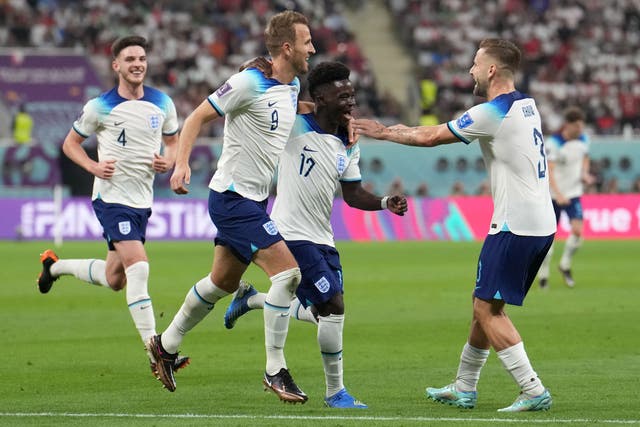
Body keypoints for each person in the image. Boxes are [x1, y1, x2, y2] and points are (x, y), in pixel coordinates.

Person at [353, 38, 556, 412]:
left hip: (515, 225)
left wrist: (380, 131)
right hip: (541, 222)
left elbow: (429, 136)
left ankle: (532, 389)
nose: (471, 70)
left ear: (492, 70)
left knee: (487, 310)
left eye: (476, 63)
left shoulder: (491, 112)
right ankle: (464, 386)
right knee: (485, 303)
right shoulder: (527, 105)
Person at [146, 11, 316, 403]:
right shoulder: (247, 82)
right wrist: (182, 163)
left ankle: (165, 345)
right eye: (307, 42)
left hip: (254, 199)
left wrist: (333, 116)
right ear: (287, 47)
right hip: (233, 199)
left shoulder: (289, 86)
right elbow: (196, 117)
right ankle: (276, 370)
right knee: (288, 274)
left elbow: (289, 107)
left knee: (220, 282)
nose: (313, 48)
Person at [222, 61, 408, 408]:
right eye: (342, 96)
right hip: (291, 234)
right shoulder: (293, 126)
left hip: (323, 237)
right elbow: (264, 100)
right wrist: (251, 68)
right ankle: (335, 392)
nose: (351, 102)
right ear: (320, 98)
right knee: (334, 306)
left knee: (325, 313)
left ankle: (251, 300)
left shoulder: (348, 142)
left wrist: (384, 201)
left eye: (352, 95)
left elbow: (352, 194)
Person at [36, 35, 188, 375]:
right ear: (116, 65)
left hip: (141, 201)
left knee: (115, 277)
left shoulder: (162, 102)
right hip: (110, 198)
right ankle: (156, 352)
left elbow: (174, 140)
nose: (137, 64)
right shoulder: (99, 106)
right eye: (130, 59)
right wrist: (92, 166)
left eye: (142, 59)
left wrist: (170, 159)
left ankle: (54, 267)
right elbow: (70, 143)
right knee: (140, 267)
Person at [537, 107, 592, 289]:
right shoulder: (554, 143)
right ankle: (543, 275)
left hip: (574, 193)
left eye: (581, 125)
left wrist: (584, 173)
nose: (580, 129)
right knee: (549, 238)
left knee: (577, 230)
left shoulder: (583, 139)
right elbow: (549, 170)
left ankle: (565, 264)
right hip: (554, 196)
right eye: (577, 126)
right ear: (568, 125)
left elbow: (585, 157)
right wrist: (558, 193)